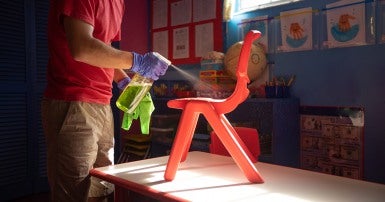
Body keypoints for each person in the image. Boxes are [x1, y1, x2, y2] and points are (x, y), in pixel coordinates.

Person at [40, 0, 169, 201]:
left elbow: (103, 45)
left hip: (102, 102)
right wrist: (137, 61)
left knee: (102, 185)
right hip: (74, 101)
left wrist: (123, 80)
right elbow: (82, 47)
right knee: (74, 191)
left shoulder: (118, 3)